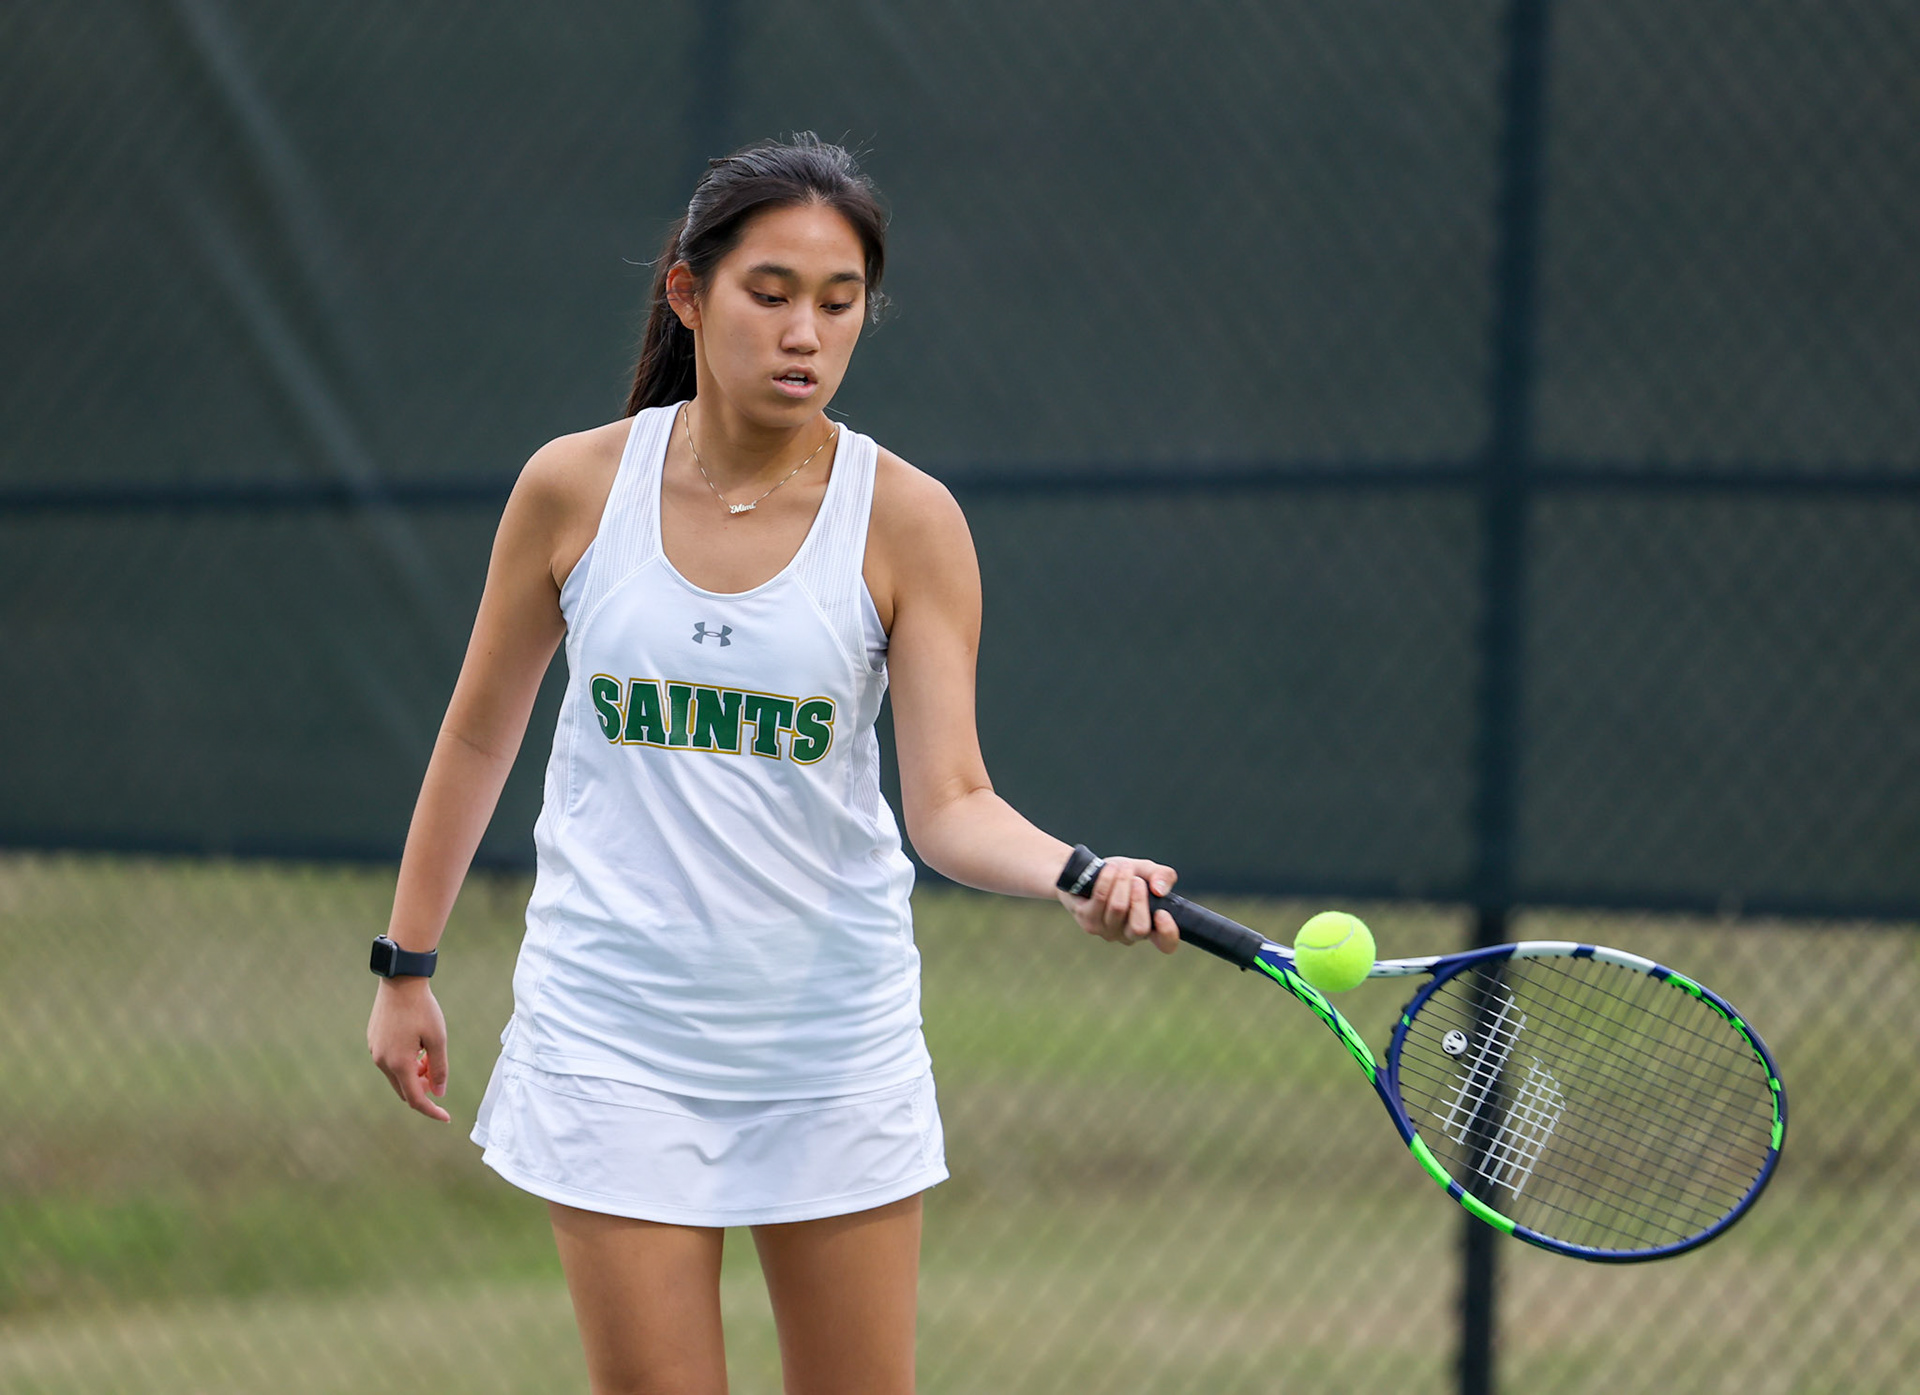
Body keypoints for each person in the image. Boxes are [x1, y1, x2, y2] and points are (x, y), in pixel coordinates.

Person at [366, 134, 1179, 1395]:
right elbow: (479, 732)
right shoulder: (573, 488)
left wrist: (1075, 873)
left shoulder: (909, 519)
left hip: (828, 1051)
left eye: (839, 304)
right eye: (771, 294)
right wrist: (407, 964)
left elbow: (953, 803)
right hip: (612, 1041)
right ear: (688, 298)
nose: (806, 332)